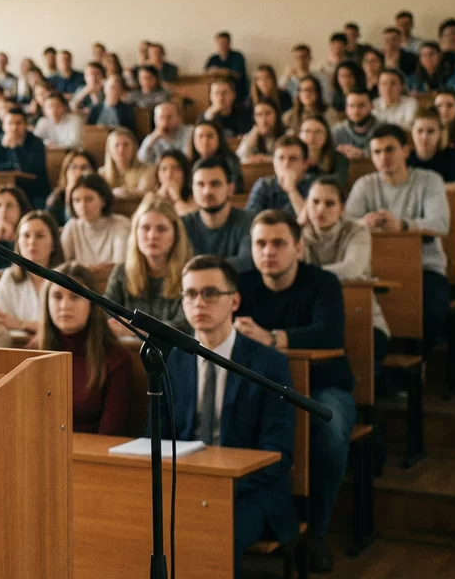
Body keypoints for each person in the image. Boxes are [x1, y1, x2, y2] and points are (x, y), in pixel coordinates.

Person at [158, 255, 297, 572]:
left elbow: (278, 453)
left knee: (211, 533)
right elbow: (155, 437)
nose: (199, 303)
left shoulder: (267, 364)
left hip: (247, 492)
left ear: (234, 300)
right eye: (190, 294)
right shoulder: (174, 359)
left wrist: (219, 484)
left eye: (210, 293)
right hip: (185, 485)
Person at [237, 211, 353, 572]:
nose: (268, 251)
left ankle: (317, 531)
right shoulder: (240, 283)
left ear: (298, 247)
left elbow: (330, 333)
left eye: (278, 243)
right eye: (260, 244)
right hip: (262, 387)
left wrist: (273, 339)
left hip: (323, 384)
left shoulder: (323, 283)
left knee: (328, 433)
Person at [347, 124, 450, 359]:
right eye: (377, 152)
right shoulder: (365, 184)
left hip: (425, 267)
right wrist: (364, 223)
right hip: (376, 267)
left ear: (405, 150)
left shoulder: (429, 180)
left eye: (390, 149)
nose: (384, 157)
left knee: (432, 309)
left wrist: (403, 226)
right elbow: (346, 224)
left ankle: (417, 363)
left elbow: (440, 224)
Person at [302, 177, 390, 367]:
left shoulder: (357, 230)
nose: (320, 209)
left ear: (342, 209)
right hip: (314, 320)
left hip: (362, 318)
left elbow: (352, 269)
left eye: (329, 203)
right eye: (315, 202)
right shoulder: (298, 233)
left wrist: (305, 274)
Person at [37, 261, 131, 435]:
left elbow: (110, 434)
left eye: (75, 297)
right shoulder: (29, 354)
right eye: (57, 297)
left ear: (92, 304)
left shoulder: (117, 358)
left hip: (92, 457)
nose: (65, 306)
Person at [104, 199, 192, 337]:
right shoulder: (122, 272)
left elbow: (184, 326)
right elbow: (105, 316)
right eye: (145, 228)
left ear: (176, 234)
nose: (152, 236)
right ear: (136, 232)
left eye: (161, 229)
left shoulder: (190, 274)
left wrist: (135, 330)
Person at [0, 211, 65, 345]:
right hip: (17, 347)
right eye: (26, 236)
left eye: (40, 236)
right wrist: (37, 327)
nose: (32, 242)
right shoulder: (10, 277)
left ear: (54, 244)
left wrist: (20, 323)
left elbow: (68, 326)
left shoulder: (66, 278)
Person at [183, 157, 254, 271]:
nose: (207, 191)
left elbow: (246, 262)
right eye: (200, 184)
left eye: (215, 184)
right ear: (192, 189)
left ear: (230, 189)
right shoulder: (182, 224)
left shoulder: (249, 221)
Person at [59, 173, 131, 271]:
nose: (82, 206)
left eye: (89, 199)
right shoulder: (71, 227)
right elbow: (62, 267)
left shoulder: (121, 224)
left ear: (103, 201)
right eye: (77, 200)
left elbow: (120, 267)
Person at [0, 108, 51, 208]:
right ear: (4, 126)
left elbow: (26, 169)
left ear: (25, 125)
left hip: (34, 191)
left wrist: (15, 148)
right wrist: (12, 166)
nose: (14, 127)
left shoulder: (36, 143)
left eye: (18, 123)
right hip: (8, 190)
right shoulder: (0, 141)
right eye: (10, 123)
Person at [244, 136, 310, 219]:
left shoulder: (313, 186)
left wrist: (292, 190)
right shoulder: (263, 185)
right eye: (281, 158)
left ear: (305, 164)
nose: (286, 164)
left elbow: (309, 223)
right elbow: (249, 220)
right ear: (274, 162)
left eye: (293, 159)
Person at [408, 108, 455, 188]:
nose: (424, 137)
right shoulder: (405, 158)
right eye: (420, 131)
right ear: (412, 132)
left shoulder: (452, 155)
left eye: (431, 131)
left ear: (439, 133)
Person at [190, 119, 245, 193]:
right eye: (200, 136)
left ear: (219, 138)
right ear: (193, 140)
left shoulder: (230, 161)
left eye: (210, 136)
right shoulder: (188, 162)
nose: (205, 141)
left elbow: (237, 187)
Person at [99, 128, 155, 199]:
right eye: (117, 145)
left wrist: (126, 192)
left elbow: (146, 192)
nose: (121, 149)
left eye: (126, 145)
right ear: (109, 149)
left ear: (134, 147)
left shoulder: (147, 170)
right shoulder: (102, 173)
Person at [46, 149, 98, 224]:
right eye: (73, 167)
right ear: (66, 171)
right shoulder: (56, 198)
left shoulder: (99, 196)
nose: (78, 172)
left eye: (84, 168)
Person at [298, 114, 350, 185]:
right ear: (299, 135)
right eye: (307, 131)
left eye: (318, 132)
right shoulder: (292, 157)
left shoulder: (339, 158)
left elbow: (339, 181)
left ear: (327, 135)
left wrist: (306, 178)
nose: (312, 137)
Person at [332, 90, 381, 160]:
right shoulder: (337, 132)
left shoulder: (383, 129)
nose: (356, 111)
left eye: (361, 106)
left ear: (371, 106)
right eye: (351, 106)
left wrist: (362, 154)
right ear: (346, 108)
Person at [147, 150, 198, 215]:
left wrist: (177, 198)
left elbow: (190, 221)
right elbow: (136, 221)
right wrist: (158, 198)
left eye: (175, 168)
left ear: (185, 173)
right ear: (157, 174)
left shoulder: (194, 197)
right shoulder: (151, 196)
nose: (169, 175)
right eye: (164, 169)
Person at [236, 99, 286, 163]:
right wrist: (251, 138)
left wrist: (265, 159)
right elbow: (238, 159)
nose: (263, 119)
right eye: (259, 115)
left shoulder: (287, 134)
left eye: (268, 113)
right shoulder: (251, 136)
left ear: (276, 115)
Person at [205, 31, 248, 102]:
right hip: (218, 94)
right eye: (219, 43)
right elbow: (206, 73)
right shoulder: (213, 58)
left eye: (224, 43)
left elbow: (238, 74)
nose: (222, 45)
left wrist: (223, 71)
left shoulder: (237, 56)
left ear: (229, 44)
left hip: (238, 93)